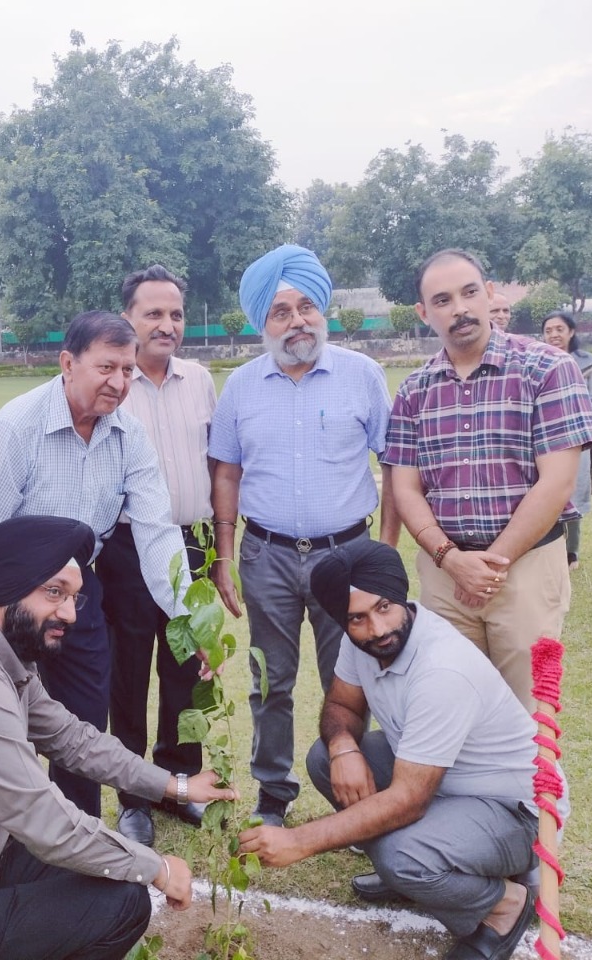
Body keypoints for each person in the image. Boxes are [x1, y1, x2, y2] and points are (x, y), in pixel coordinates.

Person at [0, 515, 238, 960]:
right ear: (8, 588)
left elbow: (72, 739)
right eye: (54, 593)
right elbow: (44, 822)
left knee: (105, 871)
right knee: (123, 902)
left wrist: (176, 785)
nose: (70, 614)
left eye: (74, 597)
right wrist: (157, 867)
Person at [237, 539, 545, 960]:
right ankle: (420, 873)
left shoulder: (442, 670)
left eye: (385, 608)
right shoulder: (360, 640)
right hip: (439, 784)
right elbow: (342, 705)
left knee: (400, 854)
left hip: (513, 813)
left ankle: (504, 905)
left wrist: (299, 841)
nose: (377, 629)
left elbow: (408, 801)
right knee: (326, 759)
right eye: (358, 618)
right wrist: (344, 745)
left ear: (400, 596)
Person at [0, 310, 190, 817]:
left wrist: (189, 619)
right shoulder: (14, 430)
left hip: (78, 597)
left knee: (83, 727)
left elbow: (157, 531)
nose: (120, 382)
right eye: (107, 367)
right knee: (3, 729)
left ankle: (78, 844)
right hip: (10, 606)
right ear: (67, 363)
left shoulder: (128, 434)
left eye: (128, 370)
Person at [208, 243, 398, 827]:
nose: (297, 321)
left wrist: (384, 548)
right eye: (281, 312)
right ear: (262, 322)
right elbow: (227, 471)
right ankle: (272, 794)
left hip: (348, 556)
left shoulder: (362, 376)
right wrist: (224, 553)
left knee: (361, 675)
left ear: (324, 312)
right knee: (271, 681)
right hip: (267, 556)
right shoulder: (240, 386)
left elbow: (395, 463)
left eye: (307, 307)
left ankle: (369, 794)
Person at [384, 249, 592, 711]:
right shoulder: (413, 391)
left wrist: (489, 564)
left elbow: (557, 483)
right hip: (444, 575)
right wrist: (451, 559)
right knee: (452, 714)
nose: (459, 308)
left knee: (530, 715)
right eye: (442, 300)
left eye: (469, 292)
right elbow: (405, 488)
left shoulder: (547, 369)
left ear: (490, 293)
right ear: (424, 314)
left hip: (526, 571)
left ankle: (534, 789)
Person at [97, 265, 215, 846]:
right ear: (128, 319)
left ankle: (181, 779)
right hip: (126, 548)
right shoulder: (112, 384)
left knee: (186, 667)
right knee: (129, 670)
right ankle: (135, 794)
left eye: (175, 314)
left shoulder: (200, 379)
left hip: (190, 543)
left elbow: (216, 466)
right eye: (153, 313)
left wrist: (218, 552)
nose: (166, 325)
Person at [541, 311, 592, 568]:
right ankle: (546, 547)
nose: (554, 335)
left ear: (571, 332)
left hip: (575, 441)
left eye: (559, 329)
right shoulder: (537, 361)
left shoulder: (588, 365)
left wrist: (576, 421)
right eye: (548, 330)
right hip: (544, 440)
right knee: (543, 492)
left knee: (572, 493)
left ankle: (571, 552)